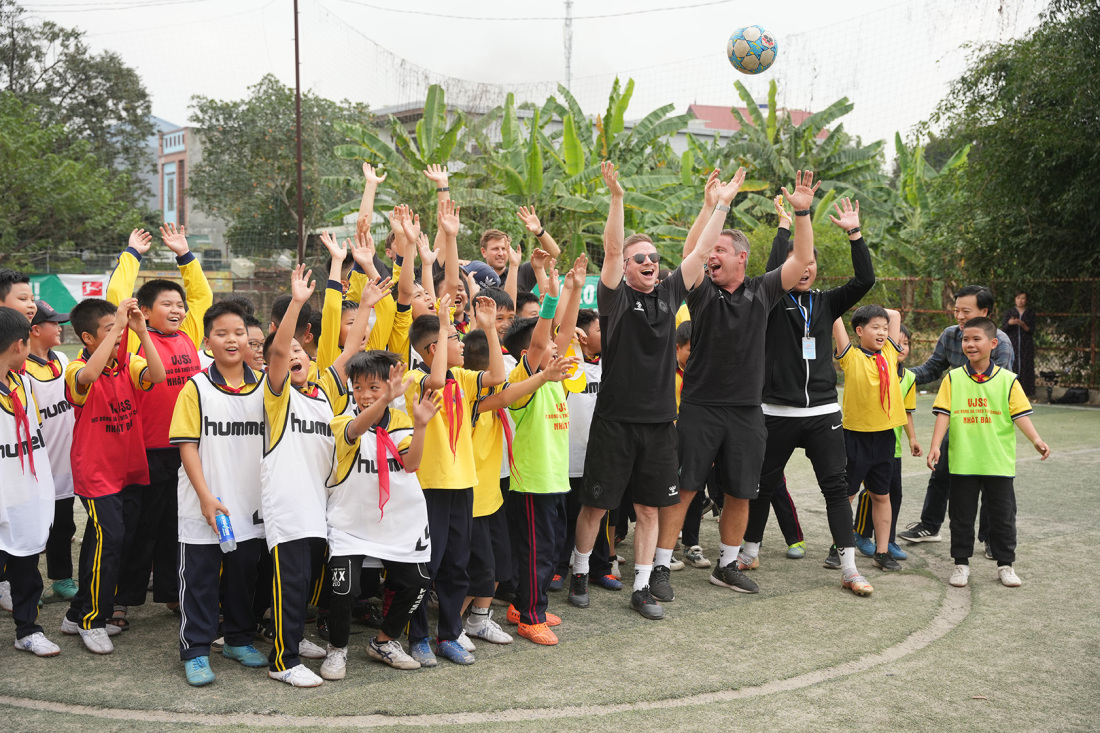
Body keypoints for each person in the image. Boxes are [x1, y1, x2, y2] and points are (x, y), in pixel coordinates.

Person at [570, 161, 733, 620]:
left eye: (654, 259)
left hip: (661, 423)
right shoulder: (614, 297)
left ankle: (641, 586)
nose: (648, 263)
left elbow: (701, 252)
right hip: (615, 421)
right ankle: (581, 569)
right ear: (625, 267)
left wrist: (720, 203)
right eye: (639, 259)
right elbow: (610, 246)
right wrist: (617, 196)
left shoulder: (669, 294)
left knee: (649, 509)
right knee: (597, 506)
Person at [653, 169, 817, 603]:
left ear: (742, 257)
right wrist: (713, 205)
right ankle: (658, 565)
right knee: (685, 488)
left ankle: (727, 564)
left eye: (721, 249)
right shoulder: (703, 292)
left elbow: (800, 261)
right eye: (713, 250)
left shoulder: (763, 290)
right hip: (700, 407)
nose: (713, 255)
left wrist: (802, 214)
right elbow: (692, 249)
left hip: (747, 411)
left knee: (742, 490)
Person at [734, 194, 876, 595]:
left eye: (810, 263)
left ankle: (849, 568)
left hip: (823, 414)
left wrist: (855, 234)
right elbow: (770, 270)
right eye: (799, 262)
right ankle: (749, 549)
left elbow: (865, 280)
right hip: (776, 412)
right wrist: (786, 226)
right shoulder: (771, 301)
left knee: (836, 488)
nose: (805, 269)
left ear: (816, 268)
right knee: (760, 485)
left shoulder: (828, 302)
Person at [259, 266, 386, 686]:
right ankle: (284, 661)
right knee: (290, 582)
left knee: (308, 582)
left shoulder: (322, 391)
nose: (293, 354)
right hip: (288, 504)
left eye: (300, 350)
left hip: (320, 504)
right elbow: (276, 354)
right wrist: (296, 304)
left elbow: (348, 351)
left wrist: (366, 305)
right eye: (287, 349)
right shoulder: (277, 396)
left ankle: (291, 637)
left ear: (311, 357)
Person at [105, 224, 213, 626]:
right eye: (166, 304)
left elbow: (201, 297)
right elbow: (117, 298)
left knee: (176, 523)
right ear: (145, 311)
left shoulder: (189, 335)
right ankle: (121, 598)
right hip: (145, 450)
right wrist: (131, 254)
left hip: (185, 449)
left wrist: (185, 256)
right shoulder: (133, 338)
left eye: (178, 304)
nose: (177, 309)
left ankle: (170, 592)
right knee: (138, 527)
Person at [404, 291, 507, 666]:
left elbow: (498, 375)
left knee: (455, 565)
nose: (461, 343)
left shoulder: (463, 378)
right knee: (424, 567)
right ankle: (416, 638)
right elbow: (433, 382)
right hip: (429, 488)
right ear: (432, 349)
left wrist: (491, 330)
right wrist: (444, 322)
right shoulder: (415, 378)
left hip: (464, 484)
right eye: (453, 339)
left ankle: (448, 635)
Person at [170, 300, 268, 686]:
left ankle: (238, 639)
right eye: (222, 333)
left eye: (239, 333)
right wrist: (206, 497)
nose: (232, 339)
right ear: (207, 341)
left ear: (249, 339)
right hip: (204, 503)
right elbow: (187, 445)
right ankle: (195, 650)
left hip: (249, 505)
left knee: (245, 575)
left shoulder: (265, 387)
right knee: (200, 579)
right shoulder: (195, 387)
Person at [323, 353, 439, 675]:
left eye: (373, 387)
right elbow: (358, 428)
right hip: (350, 525)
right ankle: (337, 649)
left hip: (396, 525)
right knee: (344, 588)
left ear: (390, 384)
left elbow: (411, 464)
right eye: (357, 387)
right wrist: (385, 399)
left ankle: (384, 641)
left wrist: (420, 426)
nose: (364, 395)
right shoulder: (341, 420)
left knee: (417, 582)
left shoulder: (401, 423)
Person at [63, 296, 166, 653]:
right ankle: (92, 619)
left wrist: (140, 331)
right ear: (88, 339)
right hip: (96, 474)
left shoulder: (128, 362)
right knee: (109, 542)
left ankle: (77, 612)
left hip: (129, 470)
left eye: (119, 329)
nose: (119, 335)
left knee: (107, 542)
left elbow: (159, 375)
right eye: (109, 330)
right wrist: (120, 325)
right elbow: (90, 375)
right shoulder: (76, 369)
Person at [496, 256, 585, 645]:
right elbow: (541, 339)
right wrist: (550, 295)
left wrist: (575, 288)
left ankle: (523, 603)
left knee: (546, 551)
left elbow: (563, 334)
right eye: (546, 346)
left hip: (553, 480)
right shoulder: (525, 379)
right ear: (527, 356)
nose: (555, 347)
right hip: (531, 482)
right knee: (538, 552)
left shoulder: (554, 378)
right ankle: (531, 616)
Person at [928, 316, 1050, 588]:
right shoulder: (953, 379)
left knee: (1002, 518)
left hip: (998, 462)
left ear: (993, 343)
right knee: (961, 517)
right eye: (965, 339)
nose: (970, 344)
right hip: (963, 461)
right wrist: (935, 445)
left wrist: (1036, 440)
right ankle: (961, 564)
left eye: (976, 339)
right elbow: (943, 415)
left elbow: (1020, 415)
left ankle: (1006, 565)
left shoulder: (1008, 380)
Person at [898, 285, 1015, 545]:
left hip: (988, 424)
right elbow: (931, 369)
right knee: (940, 471)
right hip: (958, 419)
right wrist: (898, 377)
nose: (959, 316)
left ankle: (989, 539)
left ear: (984, 312)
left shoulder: (1001, 342)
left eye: (966, 311)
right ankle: (930, 526)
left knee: (989, 481)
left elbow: (998, 389)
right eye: (956, 310)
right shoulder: (950, 335)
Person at [0, 306, 61, 657]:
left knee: (26, 568)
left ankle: (28, 629)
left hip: (25, 492)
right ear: (19, 345)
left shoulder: (22, 381)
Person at [832, 306, 907, 575]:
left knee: (881, 495)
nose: (882, 332)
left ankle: (882, 551)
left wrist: (880, 315)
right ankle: (837, 547)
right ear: (859, 331)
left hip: (885, 436)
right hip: (856, 436)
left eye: (884, 328)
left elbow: (895, 315)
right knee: (847, 494)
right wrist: (851, 305)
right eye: (875, 327)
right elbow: (835, 317)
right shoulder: (850, 356)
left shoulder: (889, 351)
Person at [852, 324, 922, 559]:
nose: (901, 347)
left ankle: (889, 540)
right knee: (868, 493)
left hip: (894, 447)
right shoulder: (870, 366)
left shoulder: (909, 377)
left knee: (893, 494)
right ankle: (860, 533)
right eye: (897, 341)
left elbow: (907, 411)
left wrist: (912, 438)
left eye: (906, 342)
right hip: (866, 440)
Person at [23, 300, 77, 601]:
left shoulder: (60, 360)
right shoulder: (22, 370)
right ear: (35, 329)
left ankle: (61, 577)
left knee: (64, 524)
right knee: (33, 528)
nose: (60, 328)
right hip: (37, 467)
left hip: (66, 465)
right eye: (54, 323)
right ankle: (21, 583)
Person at [1002, 291, 1036, 397]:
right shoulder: (1010, 313)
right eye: (1018, 298)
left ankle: (1026, 393)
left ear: (1026, 300)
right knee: (1013, 365)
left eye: (1023, 298)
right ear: (1015, 299)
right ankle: (1011, 391)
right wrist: (1010, 323)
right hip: (1013, 344)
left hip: (1026, 345)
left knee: (1026, 366)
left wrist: (1023, 325)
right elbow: (1003, 329)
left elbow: (1032, 330)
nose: (1020, 301)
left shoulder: (1030, 313)